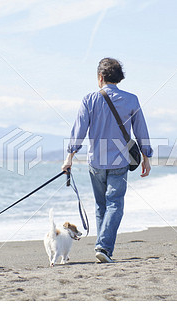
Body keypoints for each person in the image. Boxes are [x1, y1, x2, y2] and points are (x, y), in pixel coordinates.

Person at [62, 57, 153, 263]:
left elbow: (78, 131)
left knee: (101, 205)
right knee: (115, 204)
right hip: (119, 161)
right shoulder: (131, 100)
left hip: (96, 162)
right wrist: (146, 157)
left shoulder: (89, 100)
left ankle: (102, 246)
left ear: (100, 77)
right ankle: (103, 247)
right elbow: (141, 131)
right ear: (118, 78)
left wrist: (69, 157)